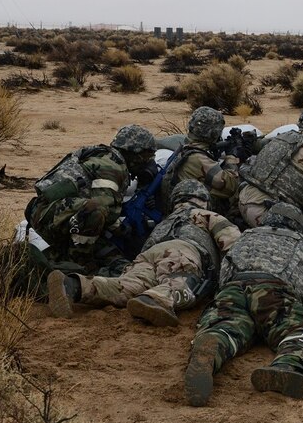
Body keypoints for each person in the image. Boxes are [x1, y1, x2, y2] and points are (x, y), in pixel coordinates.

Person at [185, 202, 303, 406]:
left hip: (233, 289)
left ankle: (213, 345)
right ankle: (287, 366)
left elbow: (223, 272)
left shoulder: (245, 236)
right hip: (273, 291)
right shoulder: (302, 243)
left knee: (226, 327)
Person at [47, 179, 241, 326]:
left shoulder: (165, 220)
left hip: (148, 254)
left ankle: (75, 285)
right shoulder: (204, 214)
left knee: (126, 285)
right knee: (184, 282)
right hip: (182, 250)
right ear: (204, 200)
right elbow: (233, 242)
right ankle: (155, 298)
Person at [27, 124, 157, 274]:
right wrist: (124, 231)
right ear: (135, 153)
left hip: (51, 213)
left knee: (114, 257)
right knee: (96, 210)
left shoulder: (103, 155)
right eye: (147, 156)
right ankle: (79, 263)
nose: (148, 161)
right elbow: (104, 210)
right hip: (49, 217)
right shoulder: (113, 167)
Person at [158, 106, 241, 215]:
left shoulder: (184, 149)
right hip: (194, 215)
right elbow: (231, 186)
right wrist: (232, 157)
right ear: (214, 133)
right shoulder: (198, 158)